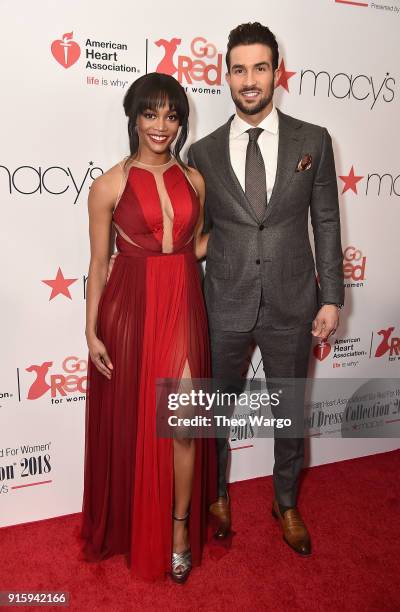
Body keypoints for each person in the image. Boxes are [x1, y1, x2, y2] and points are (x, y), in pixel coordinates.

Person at [188, 22, 344, 555]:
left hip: (293, 300)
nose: (249, 80)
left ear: (277, 72)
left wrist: (331, 296)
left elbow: (325, 220)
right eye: (239, 69)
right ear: (224, 75)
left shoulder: (313, 140)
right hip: (224, 301)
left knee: (290, 409)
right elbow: (198, 234)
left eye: (260, 67)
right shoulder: (202, 153)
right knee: (216, 410)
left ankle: (285, 500)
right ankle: (216, 495)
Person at [81, 72, 216, 583]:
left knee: (183, 422)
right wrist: (91, 331)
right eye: (151, 113)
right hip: (130, 308)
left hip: (182, 302)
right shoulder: (108, 185)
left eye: (172, 115)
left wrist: (241, 238)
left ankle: (179, 528)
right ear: (134, 118)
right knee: (138, 422)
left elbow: (194, 246)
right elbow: (98, 263)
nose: (162, 126)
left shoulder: (194, 179)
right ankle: (135, 522)